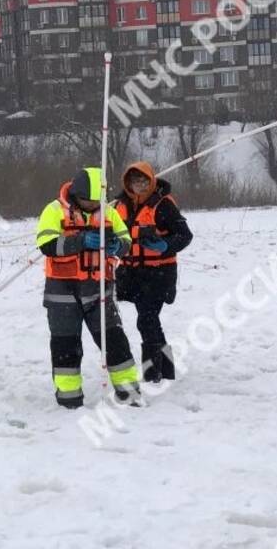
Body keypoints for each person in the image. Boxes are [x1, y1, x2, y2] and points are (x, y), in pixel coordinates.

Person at [35, 168, 142, 409]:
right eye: (88, 201)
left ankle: (129, 393)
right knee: (66, 348)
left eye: (97, 201)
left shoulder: (109, 212)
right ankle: (69, 399)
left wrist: (117, 246)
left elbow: (126, 239)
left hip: (99, 290)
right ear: (76, 194)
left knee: (115, 342)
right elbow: (47, 245)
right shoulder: (54, 210)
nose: (94, 206)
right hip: (62, 293)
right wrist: (80, 241)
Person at [112, 161, 194, 383]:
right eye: (135, 181)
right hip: (131, 274)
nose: (140, 185)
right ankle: (165, 369)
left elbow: (185, 235)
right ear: (127, 183)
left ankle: (153, 373)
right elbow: (111, 233)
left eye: (144, 181)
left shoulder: (163, 205)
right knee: (149, 320)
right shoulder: (119, 206)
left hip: (159, 273)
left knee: (146, 320)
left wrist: (165, 245)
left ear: (151, 181)